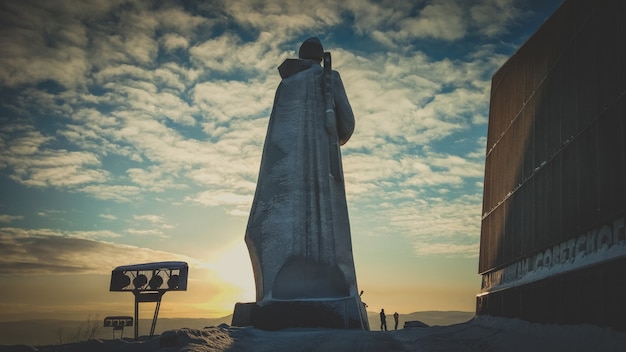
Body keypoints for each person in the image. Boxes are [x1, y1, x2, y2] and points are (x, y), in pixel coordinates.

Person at [245, 37, 359, 305]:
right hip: (322, 172)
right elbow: (347, 125)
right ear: (320, 57)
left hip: (285, 175)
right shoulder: (329, 78)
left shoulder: (286, 85)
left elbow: (275, 140)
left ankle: (276, 292)